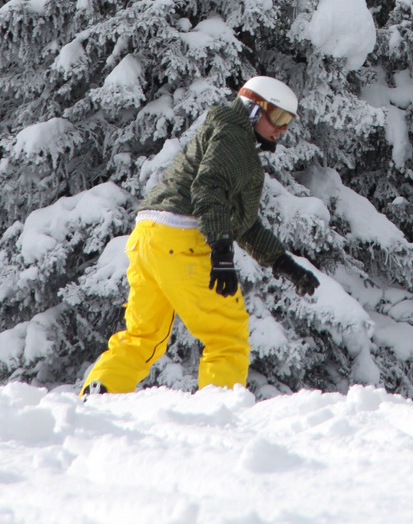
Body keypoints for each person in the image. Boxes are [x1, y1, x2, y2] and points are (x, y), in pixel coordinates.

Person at [80, 76, 319, 395]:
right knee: (227, 336)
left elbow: (243, 224)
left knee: (143, 336)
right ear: (253, 108)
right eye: (277, 116)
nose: (281, 129)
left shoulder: (226, 136)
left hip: (148, 237)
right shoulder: (234, 136)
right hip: (183, 238)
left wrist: (284, 264)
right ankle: (220, 408)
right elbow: (209, 189)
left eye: (288, 121)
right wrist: (221, 252)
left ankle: (101, 391)